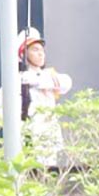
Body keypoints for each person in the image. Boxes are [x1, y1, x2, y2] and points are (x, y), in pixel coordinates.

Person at [18, 27, 74, 163]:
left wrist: (36, 81)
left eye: (42, 50)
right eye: (35, 50)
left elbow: (67, 82)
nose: (41, 54)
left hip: (49, 135)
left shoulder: (48, 76)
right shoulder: (18, 79)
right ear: (24, 54)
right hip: (30, 135)